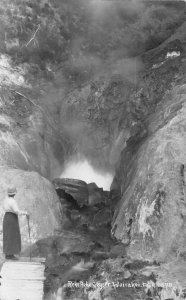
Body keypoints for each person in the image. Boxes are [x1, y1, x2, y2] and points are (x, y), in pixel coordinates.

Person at [2, 186, 28, 260]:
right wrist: (25, 213)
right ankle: (10, 255)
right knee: (12, 236)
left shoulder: (5, 200)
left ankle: (8, 253)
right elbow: (17, 211)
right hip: (12, 218)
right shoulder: (12, 201)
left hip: (6, 217)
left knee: (7, 235)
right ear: (14, 193)